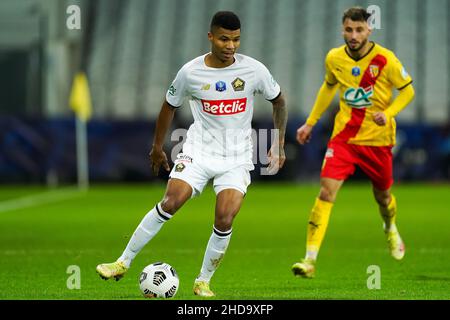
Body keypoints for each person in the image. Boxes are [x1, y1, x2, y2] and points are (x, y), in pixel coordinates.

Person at [96, 11, 287, 297]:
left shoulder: (254, 71)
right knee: (171, 201)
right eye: (224, 39)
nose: (231, 45)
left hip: (236, 158)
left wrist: (279, 143)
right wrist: (157, 147)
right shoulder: (190, 72)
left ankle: (203, 281)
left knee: (225, 217)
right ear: (211, 37)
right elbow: (168, 106)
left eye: (235, 39)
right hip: (198, 151)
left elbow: (279, 101)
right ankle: (122, 262)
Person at [292, 7, 415, 278]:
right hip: (344, 139)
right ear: (342, 29)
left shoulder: (386, 59)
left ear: (369, 30)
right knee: (326, 192)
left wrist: (389, 113)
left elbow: (408, 90)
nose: (354, 35)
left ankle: (390, 228)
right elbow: (328, 86)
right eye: (349, 29)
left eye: (359, 30)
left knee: (383, 197)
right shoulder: (334, 58)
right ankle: (309, 260)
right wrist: (310, 122)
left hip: (378, 141)